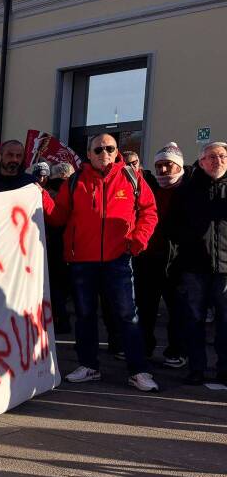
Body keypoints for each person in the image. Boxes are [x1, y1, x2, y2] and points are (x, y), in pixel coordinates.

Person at [42, 133, 159, 391]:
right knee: (84, 315)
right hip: (83, 260)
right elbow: (58, 217)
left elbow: (149, 211)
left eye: (110, 148)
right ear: (89, 153)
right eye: (98, 149)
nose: (104, 153)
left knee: (128, 315)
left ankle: (138, 370)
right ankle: (89, 366)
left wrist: (138, 240)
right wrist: (40, 196)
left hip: (119, 259)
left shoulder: (132, 178)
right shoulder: (74, 182)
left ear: (117, 151)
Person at [168, 140, 227, 385]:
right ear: (201, 162)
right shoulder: (187, 190)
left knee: (226, 321)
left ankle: (224, 369)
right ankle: (196, 368)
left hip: (225, 268)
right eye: (212, 157)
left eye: (223, 156)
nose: (218, 161)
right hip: (195, 267)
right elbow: (172, 225)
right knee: (194, 320)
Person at [136, 142, 189, 367]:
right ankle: (144, 348)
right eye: (159, 166)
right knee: (145, 308)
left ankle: (176, 351)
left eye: (168, 165)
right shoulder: (148, 189)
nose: (163, 170)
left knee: (178, 311)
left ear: (179, 166)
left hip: (178, 262)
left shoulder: (189, 191)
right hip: (148, 259)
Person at [45, 162, 75, 333]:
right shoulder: (75, 191)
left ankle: (60, 319)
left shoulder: (48, 193)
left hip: (53, 244)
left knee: (56, 286)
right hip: (68, 245)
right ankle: (62, 319)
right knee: (62, 287)